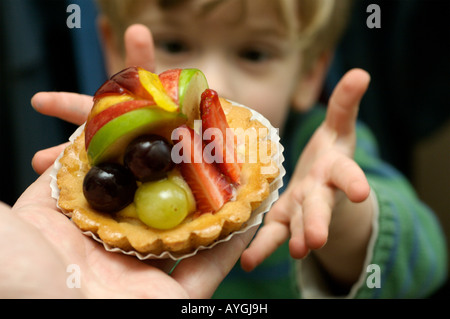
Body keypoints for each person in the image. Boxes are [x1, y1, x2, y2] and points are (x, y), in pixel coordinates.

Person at [29, 0, 447, 298]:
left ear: (309, 72)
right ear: (112, 47)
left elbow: (427, 266)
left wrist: (341, 219)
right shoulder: (107, 156)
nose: (213, 82)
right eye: (174, 45)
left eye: (253, 52)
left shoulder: (321, 150)